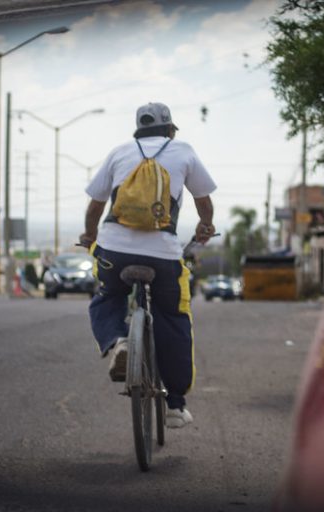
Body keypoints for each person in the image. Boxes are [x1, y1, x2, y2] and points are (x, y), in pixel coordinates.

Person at [80, 102, 216, 429]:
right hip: (165, 255)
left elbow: (96, 206)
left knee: (108, 296)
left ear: (138, 131)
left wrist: (89, 235)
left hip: (115, 251)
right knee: (172, 317)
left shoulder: (119, 152)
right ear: (170, 130)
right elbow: (203, 201)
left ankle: (119, 341)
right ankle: (175, 405)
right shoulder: (183, 151)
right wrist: (205, 226)